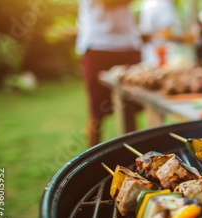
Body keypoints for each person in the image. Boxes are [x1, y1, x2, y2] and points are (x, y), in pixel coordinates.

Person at [76, 0, 143, 147]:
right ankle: (89, 163)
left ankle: (133, 157)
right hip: (98, 45)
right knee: (96, 113)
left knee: (130, 108)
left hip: (128, 44)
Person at [139, 0, 179, 67]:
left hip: (150, 55)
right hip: (160, 56)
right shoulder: (164, 4)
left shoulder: (147, 3)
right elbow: (166, 32)